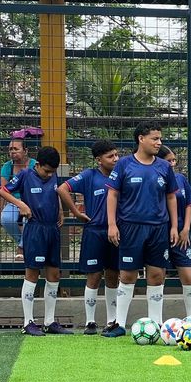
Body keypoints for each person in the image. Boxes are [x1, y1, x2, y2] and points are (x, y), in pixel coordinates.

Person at [103, 121, 179, 337]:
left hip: (158, 228)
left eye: (160, 138)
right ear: (141, 139)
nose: (159, 142)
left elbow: (171, 196)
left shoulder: (164, 167)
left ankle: (156, 325)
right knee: (127, 275)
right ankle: (119, 324)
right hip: (130, 228)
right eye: (155, 138)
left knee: (156, 275)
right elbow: (112, 194)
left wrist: (174, 226)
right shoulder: (124, 164)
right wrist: (111, 224)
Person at [0, 146, 72, 335]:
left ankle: (50, 321)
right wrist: (20, 204)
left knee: (54, 274)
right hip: (35, 229)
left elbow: (55, 193)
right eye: (46, 171)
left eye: (52, 172)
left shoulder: (53, 175)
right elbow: (3, 190)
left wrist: (60, 211)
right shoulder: (25, 175)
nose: (49, 175)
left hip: (52, 229)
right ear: (37, 165)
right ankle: (28, 322)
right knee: (32, 273)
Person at [58, 139, 121, 335]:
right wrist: (76, 212)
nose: (115, 159)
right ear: (98, 160)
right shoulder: (89, 175)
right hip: (94, 231)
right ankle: (90, 322)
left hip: (116, 231)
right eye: (110, 156)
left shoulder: (122, 174)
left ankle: (112, 320)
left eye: (116, 155)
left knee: (113, 275)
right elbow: (62, 189)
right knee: (94, 275)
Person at [158, 145, 191, 319]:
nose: (173, 164)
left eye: (174, 160)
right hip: (160, 233)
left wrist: (186, 228)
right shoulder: (154, 179)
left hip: (181, 235)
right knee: (158, 276)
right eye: (169, 161)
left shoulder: (181, 179)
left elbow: (189, 204)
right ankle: (157, 320)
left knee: (188, 276)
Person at [1, 131, 39, 260]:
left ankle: (21, 248)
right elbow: (3, 191)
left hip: (32, 201)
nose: (12, 152)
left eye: (16, 149)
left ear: (25, 151)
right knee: (6, 219)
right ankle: (23, 242)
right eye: (10, 149)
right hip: (13, 201)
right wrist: (0, 210)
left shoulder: (35, 165)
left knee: (27, 218)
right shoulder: (7, 167)